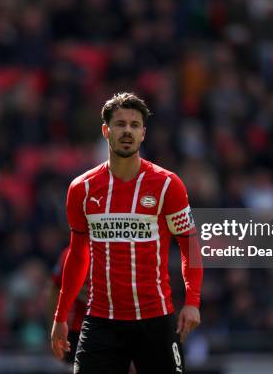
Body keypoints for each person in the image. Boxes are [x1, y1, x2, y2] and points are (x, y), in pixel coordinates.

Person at [50, 92, 203, 373]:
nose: (127, 131)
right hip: (101, 320)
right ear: (106, 131)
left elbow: (190, 245)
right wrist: (61, 316)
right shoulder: (81, 189)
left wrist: (192, 302)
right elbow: (78, 254)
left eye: (134, 125)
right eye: (120, 124)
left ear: (143, 134)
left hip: (155, 319)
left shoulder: (168, 185)